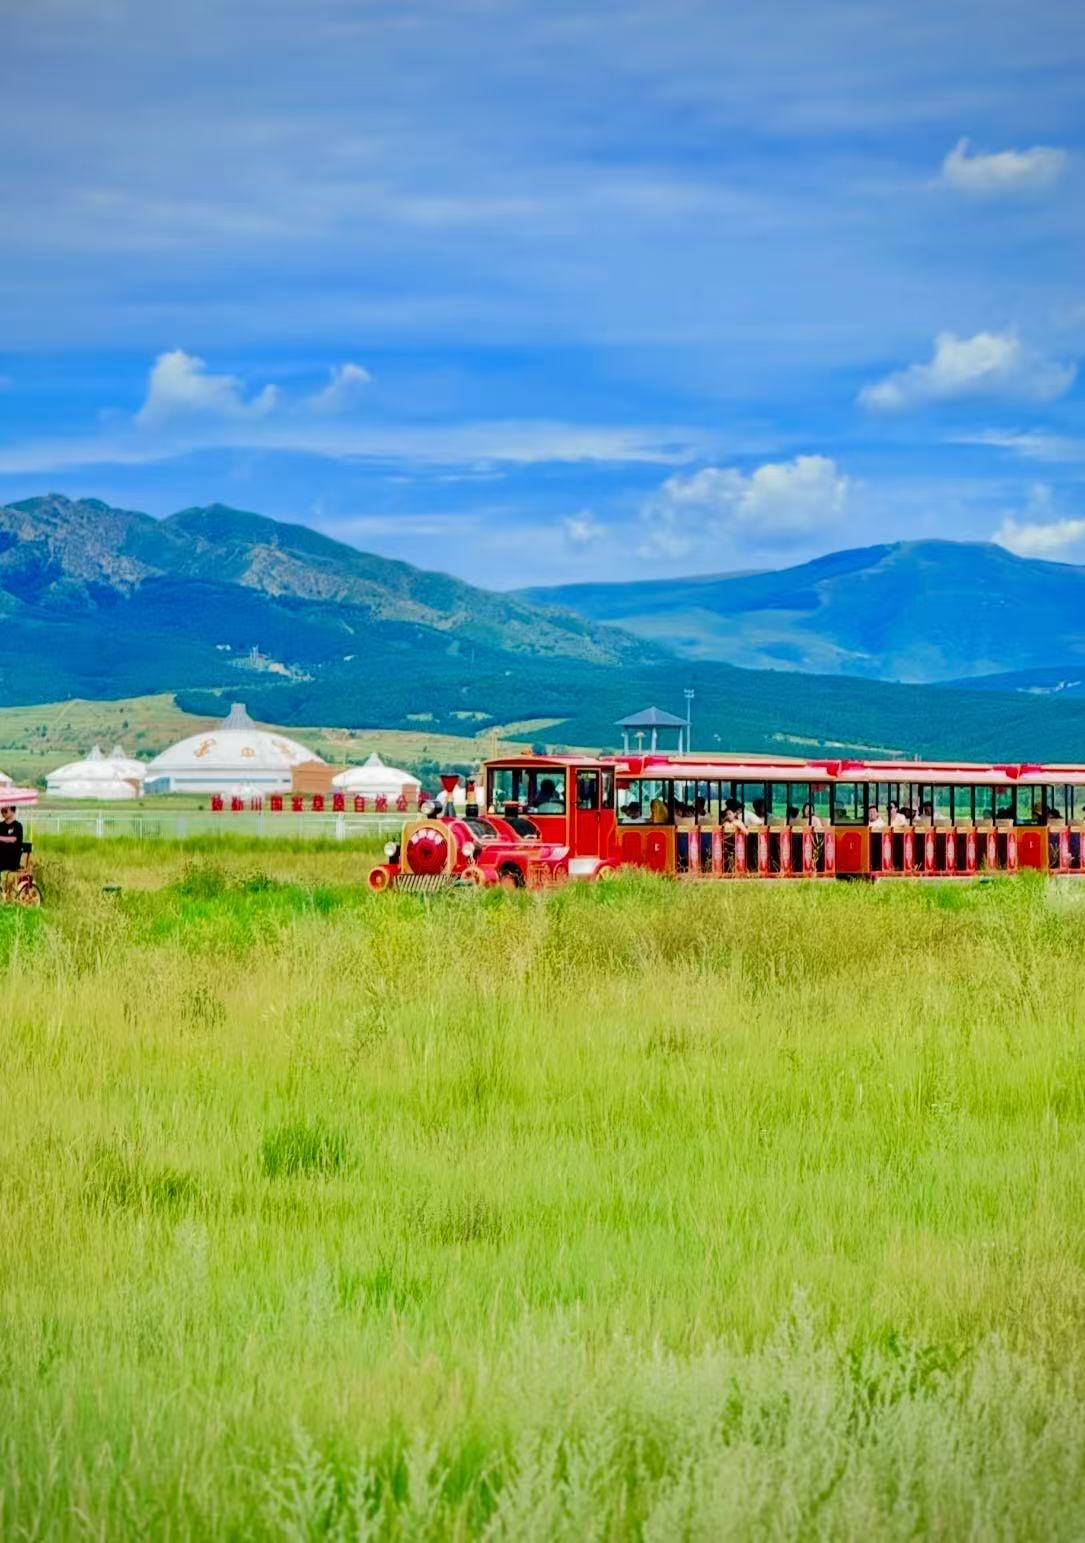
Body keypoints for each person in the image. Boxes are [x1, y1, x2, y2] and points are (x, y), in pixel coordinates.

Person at [0, 804, 24, 901]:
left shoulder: (18, 826)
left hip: (11, 859)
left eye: (6, 810)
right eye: (2, 810)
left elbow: (13, 839)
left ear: (13, 811)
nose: (3, 812)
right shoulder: (0, 825)